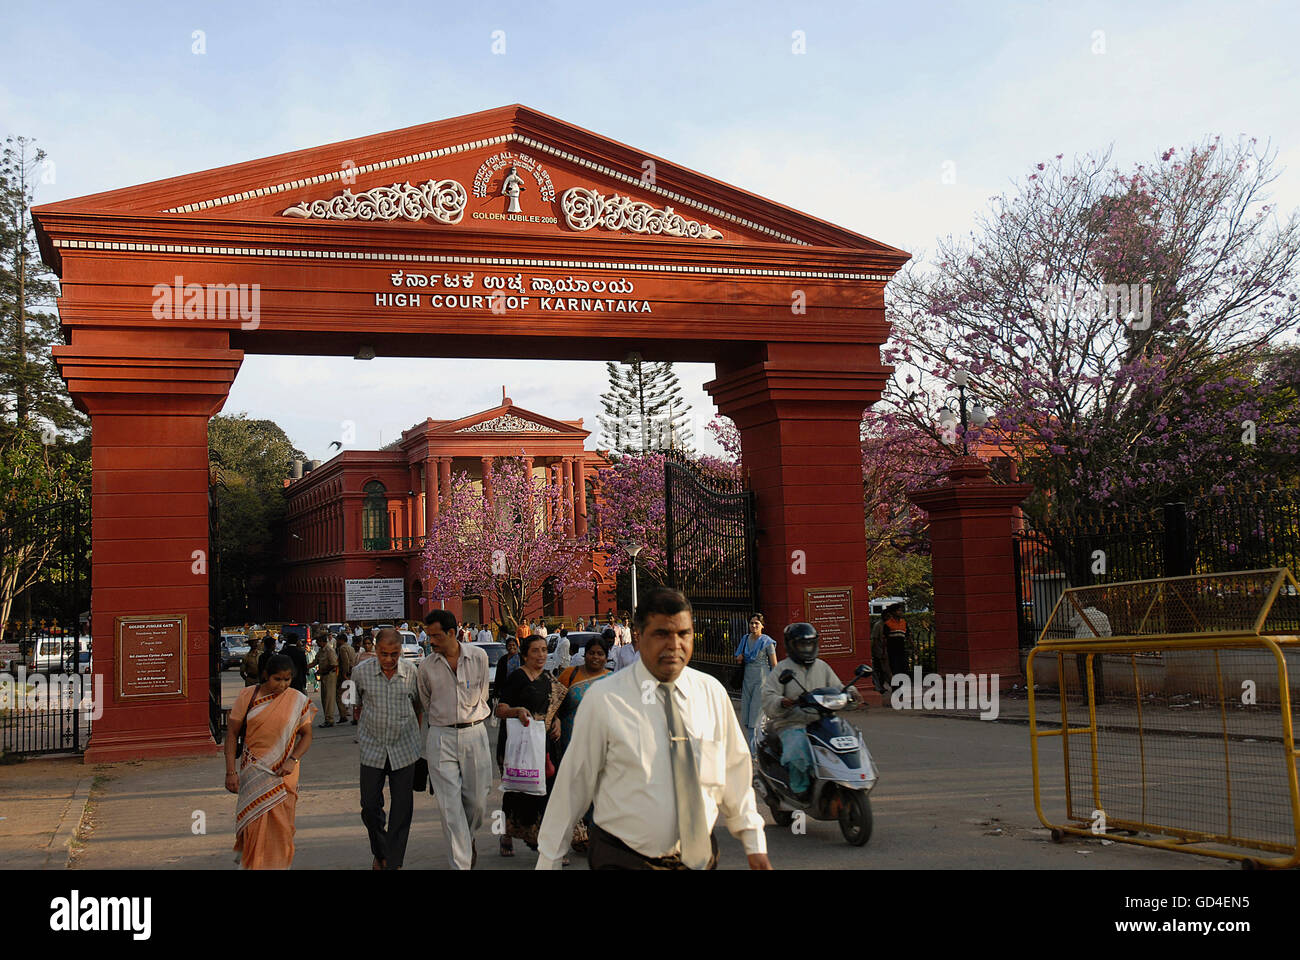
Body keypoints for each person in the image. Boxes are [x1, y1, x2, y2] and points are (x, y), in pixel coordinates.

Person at [536, 588, 771, 871]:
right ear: (638, 634)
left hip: (697, 858)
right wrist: (548, 860)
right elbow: (573, 785)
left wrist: (754, 844)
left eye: (683, 634)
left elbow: (734, 772)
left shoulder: (710, 694)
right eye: (662, 634)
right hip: (624, 859)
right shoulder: (605, 700)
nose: (674, 644)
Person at [224, 654, 315, 869]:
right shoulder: (248, 695)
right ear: (266, 675)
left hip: (285, 775)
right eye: (277, 679)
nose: (282, 685)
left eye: (287, 679)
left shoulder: (298, 700)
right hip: (253, 772)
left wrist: (293, 759)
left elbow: (307, 735)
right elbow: (231, 734)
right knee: (254, 825)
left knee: (282, 829)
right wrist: (230, 772)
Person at [417, 609, 492, 870]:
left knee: (478, 802)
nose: (431, 642)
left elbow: (482, 693)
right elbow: (427, 701)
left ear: (452, 633)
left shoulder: (478, 657)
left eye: (435, 636)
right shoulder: (426, 667)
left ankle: (466, 838)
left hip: (475, 732)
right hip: (440, 736)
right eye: (428, 636)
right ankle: (461, 864)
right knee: (449, 807)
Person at [761, 622, 858, 799]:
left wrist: (851, 694)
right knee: (797, 751)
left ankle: (847, 778)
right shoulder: (782, 669)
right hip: (793, 723)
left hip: (822, 721)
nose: (806, 648)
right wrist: (783, 702)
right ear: (791, 645)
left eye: (809, 643)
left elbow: (838, 687)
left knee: (850, 740)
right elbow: (768, 696)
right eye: (801, 644)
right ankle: (800, 790)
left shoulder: (822, 666)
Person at [353, 628, 423, 870]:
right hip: (372, 749)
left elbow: (418, 707)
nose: (389, 659)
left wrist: (413, 733)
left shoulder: (412, 673)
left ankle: (393, 862)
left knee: (402, 809)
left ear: (401, 651)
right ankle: (381, 851)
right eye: (384, 654)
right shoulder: (360, 673)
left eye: (394, 654)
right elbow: (355, 705)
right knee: (370, 806)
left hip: (404, 749)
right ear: (375, 649)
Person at [494, 633, 562, 859]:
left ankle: (542, 841)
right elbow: (500, 709)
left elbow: (554, 709)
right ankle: (506, 833)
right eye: (535, 650)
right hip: (518, 745)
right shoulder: (517, 678)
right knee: (515, 791)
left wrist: (557, 722)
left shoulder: (548, 679)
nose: (541, 655)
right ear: (525, 655)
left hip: (542, 745)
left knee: (545, 791)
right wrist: (517, 712)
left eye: (544, 650)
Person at [556, 635, 611, 751]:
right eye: (591, 653)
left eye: (600, 654)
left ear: (606, 658)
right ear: (585, 655)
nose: (595, 657)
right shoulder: (570, 674)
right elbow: (553, 705)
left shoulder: (613, 680)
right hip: (571, 741)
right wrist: (556, 721)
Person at [735, 613, 778, 750]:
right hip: (747, 679)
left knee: (755, 716)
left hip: (762, 680)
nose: (753, 626)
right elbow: (738, 656)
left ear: (762, 626)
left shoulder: (767, 642)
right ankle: (752, 747)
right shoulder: (745, 638)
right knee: (747, 716)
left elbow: (774, 665)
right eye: (751, 623)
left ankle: (755, 751)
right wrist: (740, 658)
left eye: (756, 623)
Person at [315, 633, 339, 727]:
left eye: (318, 642)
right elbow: (316, 661)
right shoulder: (321, 650)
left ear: (322, 641)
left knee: (329, 698)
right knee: (324, 698)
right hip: (324, 676)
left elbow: (334, 664)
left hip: (330, 675)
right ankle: (327, 718)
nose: (316, 643)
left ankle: (330, 719)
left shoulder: (329, 650)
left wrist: (323, 670)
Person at [336, 630, 357, 725]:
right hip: (352, 672)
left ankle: (343, 715)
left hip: (345, 673)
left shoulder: (342, 648)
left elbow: (345, 662)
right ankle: (354, 715)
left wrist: (344, 674)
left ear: (341, 640)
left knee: (339, 695)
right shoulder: (351, 648)